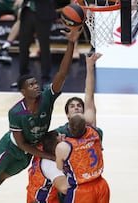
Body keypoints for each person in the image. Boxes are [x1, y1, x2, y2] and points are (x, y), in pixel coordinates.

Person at [0, 27, 82, 203]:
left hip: (26, 155)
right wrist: (48, 156)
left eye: (36, 83)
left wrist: (71, 42)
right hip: (10, 150)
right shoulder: (16, 112)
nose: (36, 86)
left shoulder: (47, 97)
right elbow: (21, 143)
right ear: (23, 92)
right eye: (31, 85)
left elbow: (62, 73)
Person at [26, 52, 103, 203]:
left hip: (88, 181)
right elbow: (45, 159)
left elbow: (89, 95)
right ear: (67, 114)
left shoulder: (91, 128)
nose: (76, 108)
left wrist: (89, 66)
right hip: (66, 184)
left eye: (79, 106)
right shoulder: (59, 134)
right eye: (72, 106)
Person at [55, 114, 110, 203]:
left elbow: (59, 168)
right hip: (101, 185)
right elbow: (90, 111)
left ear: (68, 127)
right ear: (85, 126)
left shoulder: (63, 147)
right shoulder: (94, 132)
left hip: (81, 190)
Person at [10, 0, 57, 88]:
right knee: (23, 46)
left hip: (43, 11)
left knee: (44, 47)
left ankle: (46, 79)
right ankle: (23, 79)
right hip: (27, 12)